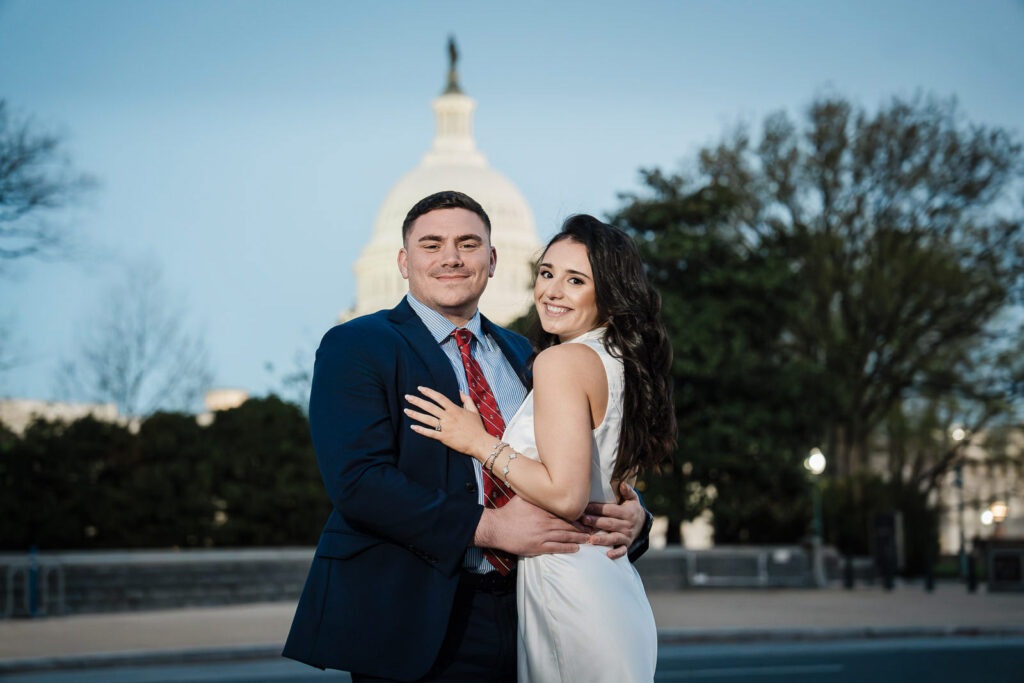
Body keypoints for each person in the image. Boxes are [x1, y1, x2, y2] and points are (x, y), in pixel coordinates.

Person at [282, 192, 652, 682]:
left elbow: (568, 459)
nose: (451, 257)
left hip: (529, 608)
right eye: (431, 244)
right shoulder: (357, 345)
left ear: (493, 260)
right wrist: (491, 529)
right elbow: (359, 482)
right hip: (417, 611)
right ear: (403, 261)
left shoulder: (525, 352)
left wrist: (636, 516)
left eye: (468, 243)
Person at [406, 214, 676, 682]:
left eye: (576, 280)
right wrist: (637, 514)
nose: (552, 291)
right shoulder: (619, 360)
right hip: (610, 584)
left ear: (609, 292)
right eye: (547, 273)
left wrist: (478, 442)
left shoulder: (560, 362)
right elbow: (612, 481)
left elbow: (569, 496)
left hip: (568, 584)